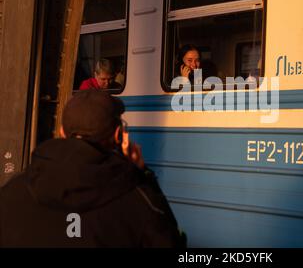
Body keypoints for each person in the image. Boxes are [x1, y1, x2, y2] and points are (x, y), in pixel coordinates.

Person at [0, 90, 186, 247]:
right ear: (118, 135)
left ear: (62, 132)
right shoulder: (137, 201)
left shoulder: (11, 192)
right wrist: (143, 174)